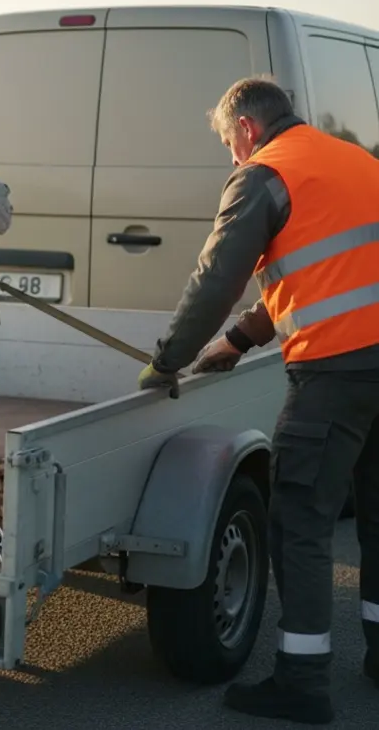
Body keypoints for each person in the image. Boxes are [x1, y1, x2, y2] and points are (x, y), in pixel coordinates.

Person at [136, 75, 379, 725]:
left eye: (227, 143)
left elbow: (216, 279)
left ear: (245, 128)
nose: (231, 158)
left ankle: (302, 679)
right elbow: (325, 274)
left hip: (338, 372)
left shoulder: (263, 174)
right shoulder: (354, 162)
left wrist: (168, 359)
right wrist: (240, 342)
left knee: (299, 518)